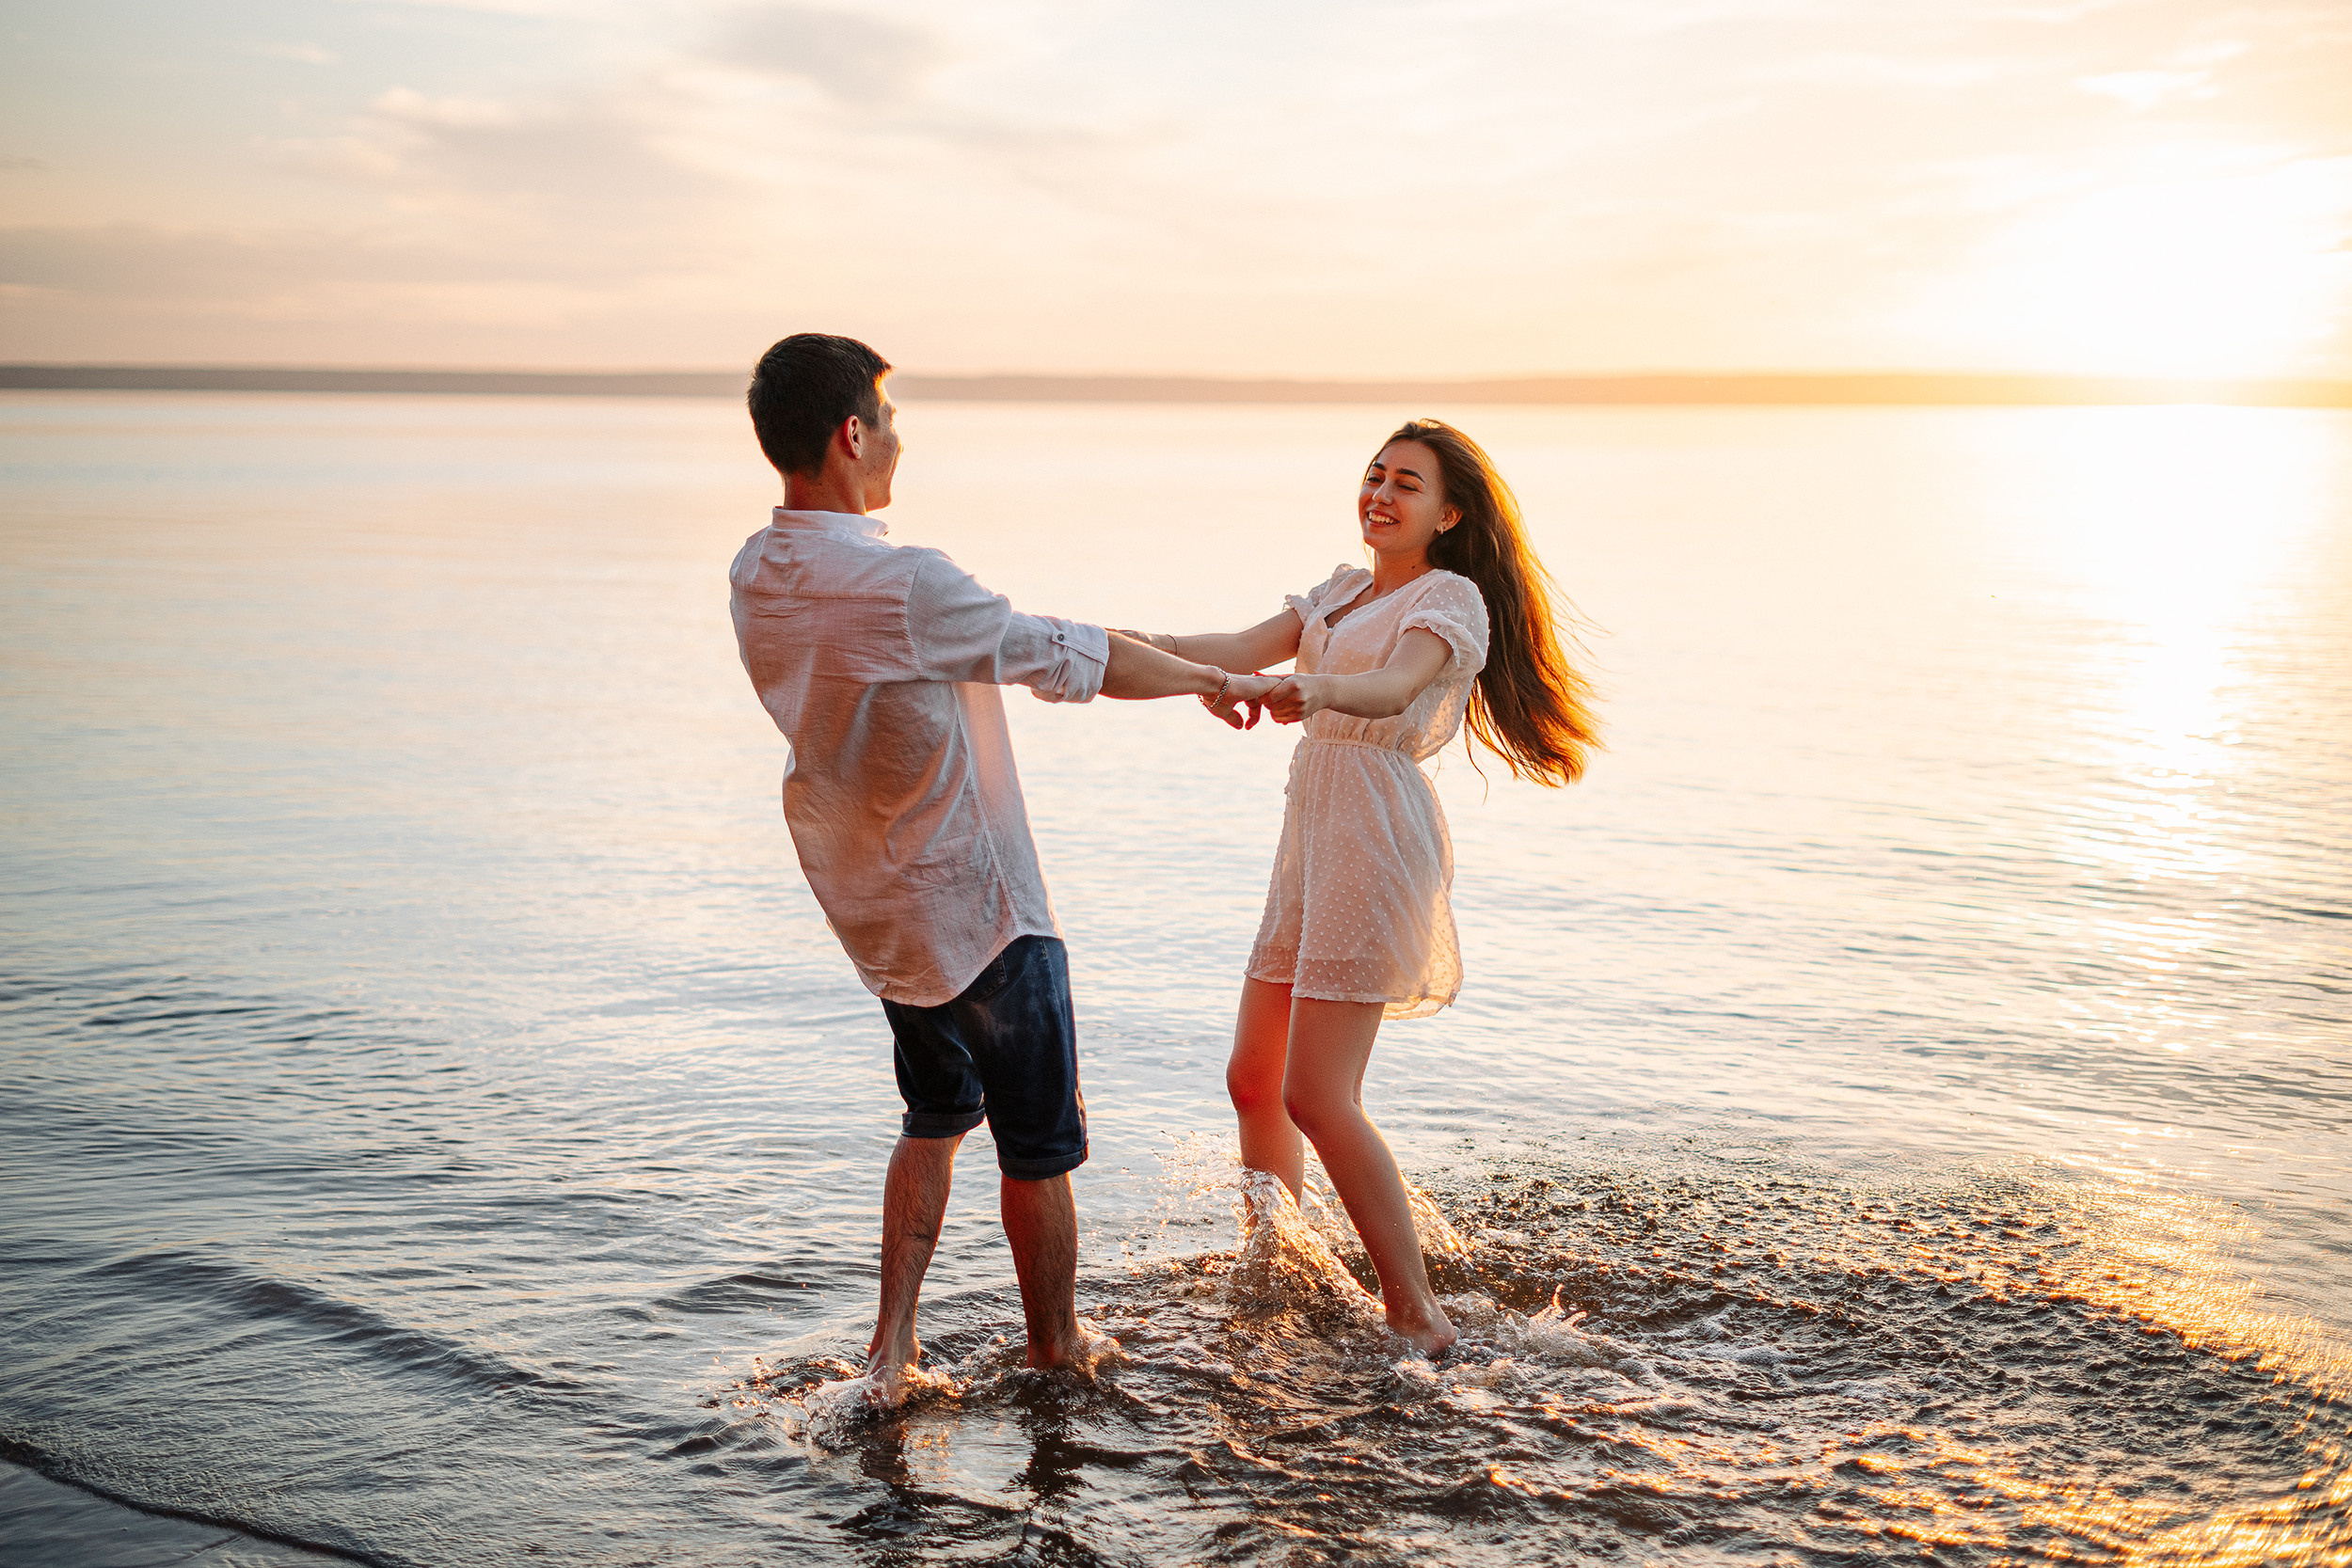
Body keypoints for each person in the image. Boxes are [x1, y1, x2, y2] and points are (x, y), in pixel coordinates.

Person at [727, 333, 1277, 1402]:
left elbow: (1038, 638)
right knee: (1037, 1146)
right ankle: (1054, 1344)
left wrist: (1185, 655)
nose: (897, 439)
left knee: (932, 1116)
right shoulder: (905, 582)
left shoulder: (756, 572)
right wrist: (1212, 677)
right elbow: (1070, 657)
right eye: (887, 418)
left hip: (878, 918)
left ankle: (892, 1350)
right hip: (981, 912)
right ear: (851, 435)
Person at [1117, 420, 1599, 1354]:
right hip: (1313, 834)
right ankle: (1277, 1259)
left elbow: (1392, 685)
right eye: (1374, 475)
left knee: (1317, 1093)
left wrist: (1309, 690)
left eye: (1406, 484)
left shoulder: (1448, 598)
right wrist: (1121, 644)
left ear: (1447, 512)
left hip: (1374, 834)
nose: (1380, 493)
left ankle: (1416, 1311)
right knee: (1252, 1076)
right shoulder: (1336, 591)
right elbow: (1224, 645)